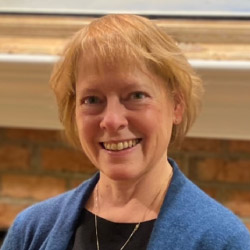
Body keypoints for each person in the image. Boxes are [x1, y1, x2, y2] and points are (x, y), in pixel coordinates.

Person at [2, 14, 250, 250]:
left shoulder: (223, 240)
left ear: (176, 106)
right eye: (92, 99)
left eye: (136, 96)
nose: (111, 121)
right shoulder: (32, 230)